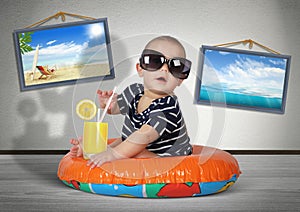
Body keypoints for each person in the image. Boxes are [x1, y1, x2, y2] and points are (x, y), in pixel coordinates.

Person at [70, 35, 192, 168]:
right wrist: (109, 104)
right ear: (140, 69)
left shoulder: (168, 107)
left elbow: (144, 136)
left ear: (180, 79)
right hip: (142, 143)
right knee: (123, 141)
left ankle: (104, 152)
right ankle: (92, 151)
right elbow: (116, 108)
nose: (164, 69)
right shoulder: (134, 91)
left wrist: (114, 154)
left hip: (169, 157)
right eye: (155, 61)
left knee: (133, 150)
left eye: (175, 66)